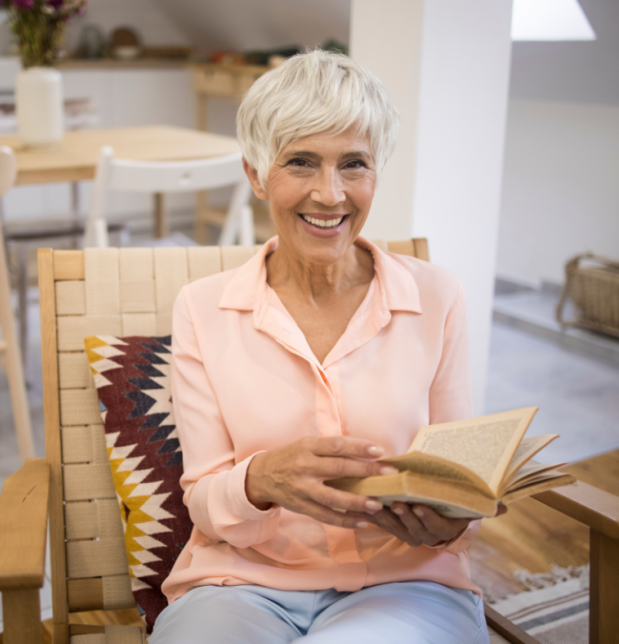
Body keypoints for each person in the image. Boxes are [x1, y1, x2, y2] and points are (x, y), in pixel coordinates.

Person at [152, 50, 489, 644]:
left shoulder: (439, 296)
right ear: (256, 175)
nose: (330, 195)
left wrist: (446, 521)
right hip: (240, 584)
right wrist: (260, 479)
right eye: (301, 163)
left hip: (407, 584)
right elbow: (204, 502)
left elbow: (459, 482)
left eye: (353, 164)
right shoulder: (202, 308)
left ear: (377, 172)